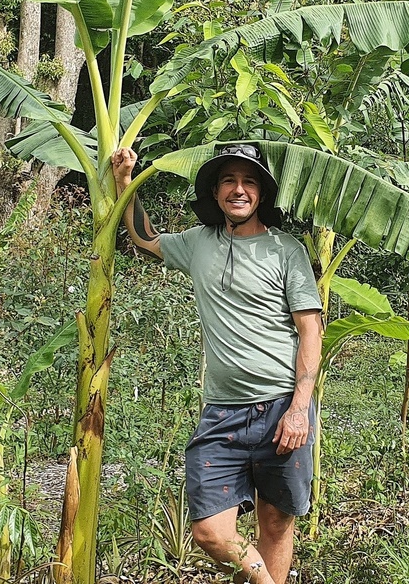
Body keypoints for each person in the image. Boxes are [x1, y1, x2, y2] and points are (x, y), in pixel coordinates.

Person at [111, 143, 323, 584]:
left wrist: (300, 407)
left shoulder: (286, 251)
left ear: (261, 193)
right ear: (216, 191)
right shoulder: (197, 244)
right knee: (210, 531)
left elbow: (310, 332)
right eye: (229, 180)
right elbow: (144, 236)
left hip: (282, 406)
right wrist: (125, 183)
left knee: (276, 522)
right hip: (221, 412)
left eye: (248, 182)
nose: (238, 190)